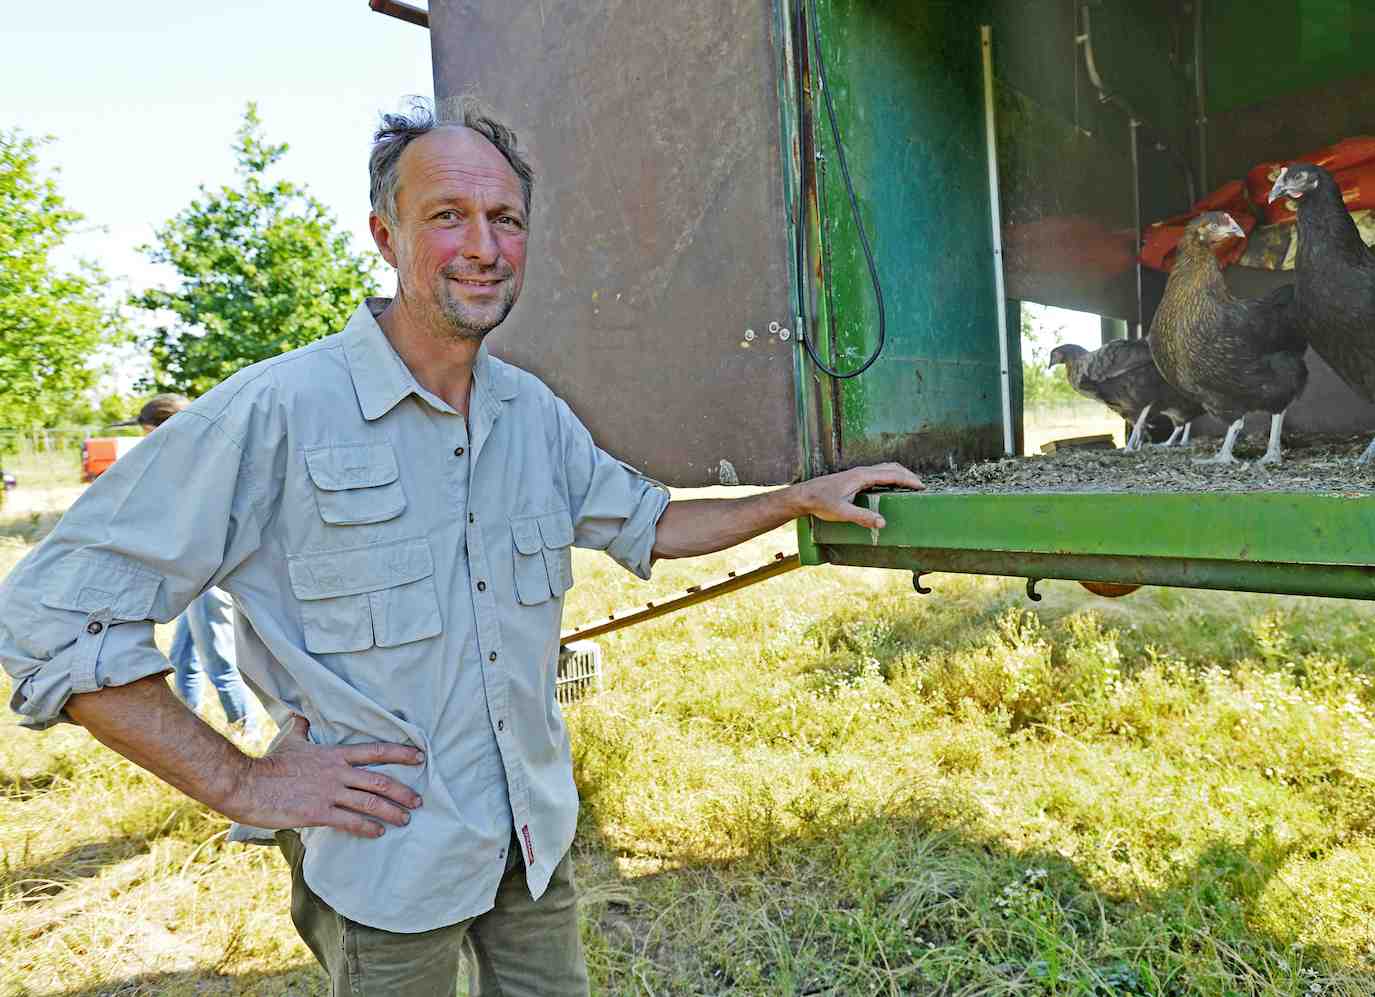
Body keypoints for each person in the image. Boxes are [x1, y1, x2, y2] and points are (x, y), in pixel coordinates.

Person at [0, 96, 923, 996]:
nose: (483, 247)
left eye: (505, 218)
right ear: (385, 235)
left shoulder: (533, 414)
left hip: (531, 842)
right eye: (448, 216)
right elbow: (46, 617)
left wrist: (799, 498)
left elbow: (654, 523)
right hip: (387, 866)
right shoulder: (276, 412)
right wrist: (242, 783)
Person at [128, 395, 260, 736]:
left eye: (146, 430)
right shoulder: (182, 457)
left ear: (161, 426)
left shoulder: (196, 459)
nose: (144, 438)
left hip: (208, 574)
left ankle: (248, 730)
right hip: (189, 574)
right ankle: (189, 725)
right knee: (183, 655)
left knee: (218, 660)